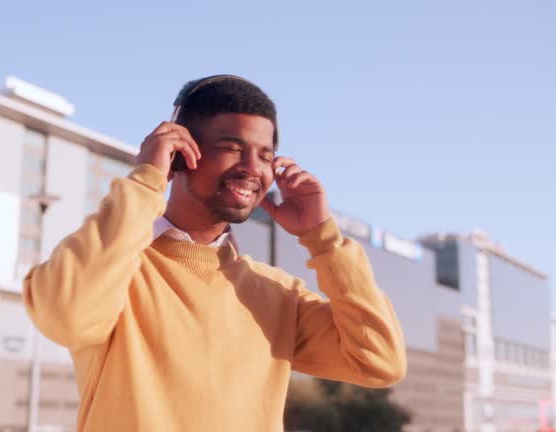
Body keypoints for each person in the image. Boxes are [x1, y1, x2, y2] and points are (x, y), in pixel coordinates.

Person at [23, 75, 407, 431]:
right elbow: (65, 317)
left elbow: (380, 361)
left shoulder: (277, 294)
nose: (251, 168)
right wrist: (145, 182)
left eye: (265, 155)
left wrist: (323, 239)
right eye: (231, 148)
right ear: (178, 152)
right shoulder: (114, 268)